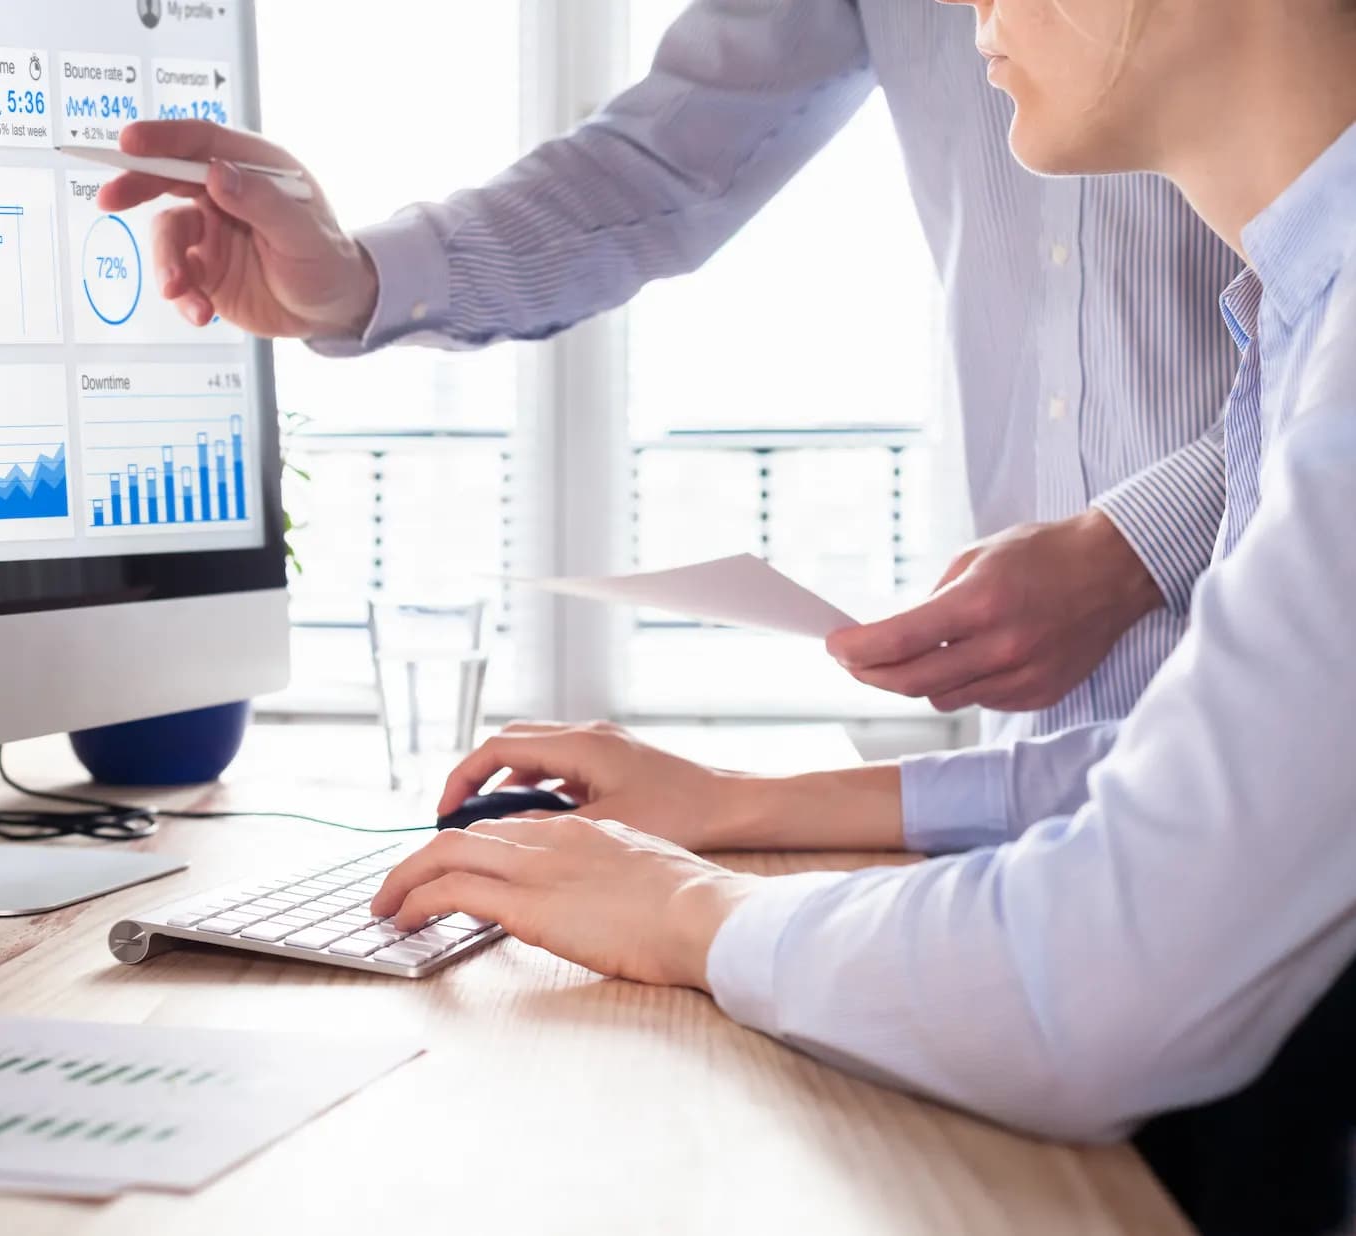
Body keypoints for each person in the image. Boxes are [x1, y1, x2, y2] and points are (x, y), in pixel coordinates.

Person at [365, 0, 1356, 1214]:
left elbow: (1098, 980)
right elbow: (1216, 778)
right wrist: (739, 810)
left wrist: (687, 912)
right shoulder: (1296, 318)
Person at [98, 0, 1240, 745]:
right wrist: (351, 280)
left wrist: (1140, 544)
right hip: (1040, 748)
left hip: (1287, 697)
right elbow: (662, 165)